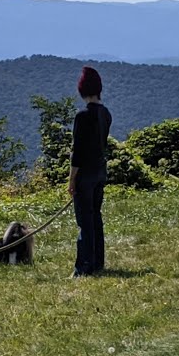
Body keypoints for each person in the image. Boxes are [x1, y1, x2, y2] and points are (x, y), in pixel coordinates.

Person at [68, 66, 112, 277]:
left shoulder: (82, 116)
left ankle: (84, 267)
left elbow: (77, 151)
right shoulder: (106, 113)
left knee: (84, 220)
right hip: (100, 171)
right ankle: (97, 262)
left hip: (85, 174)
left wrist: (71, 180)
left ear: (82, 90)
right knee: (95, 217)